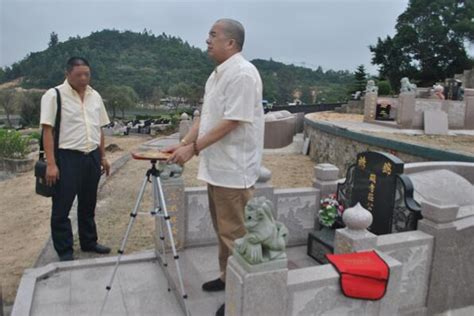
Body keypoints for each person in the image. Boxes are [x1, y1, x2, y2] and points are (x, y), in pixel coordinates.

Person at [164, 18, 264, 316]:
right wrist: (183, 142)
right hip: (217, 167)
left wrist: (193, 149)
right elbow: (204, 117)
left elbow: (232, 122)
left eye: (213, 35)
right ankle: (226, 278)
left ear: (230, 43)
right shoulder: (216, 75)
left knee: (236, 234)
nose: (207, 40)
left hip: (234, 170)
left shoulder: (243, 74)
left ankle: (242, 295)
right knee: (224, 231)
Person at [40, 57, 112, 262]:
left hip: (91, 156)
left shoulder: (95, 95)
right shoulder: (54, 95)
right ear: (67, 74)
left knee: (88, 203)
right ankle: (65, 251)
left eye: (87, 74)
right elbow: (47, 131)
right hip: (67, 157)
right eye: (78, 74)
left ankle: (89, 242)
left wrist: (103, 156)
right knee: (62, 206)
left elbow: (99, 129)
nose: (83, 78)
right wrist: (52, 164)